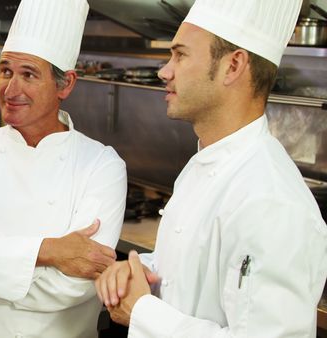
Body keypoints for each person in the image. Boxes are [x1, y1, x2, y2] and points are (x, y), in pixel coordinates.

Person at [95, 0, 327, 336]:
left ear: (233, 66)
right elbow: (188, 278)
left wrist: (142, 311)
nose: (164, 70)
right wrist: (136, 272)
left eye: (180, 54)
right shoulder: (202, 163)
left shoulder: (272, 201)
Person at [0, 0, 127, 337]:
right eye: (5, 71)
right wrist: (51, 251)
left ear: (65, 85)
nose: (10, 89)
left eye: (28, 74)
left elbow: (74, 286)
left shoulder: (102, 167)